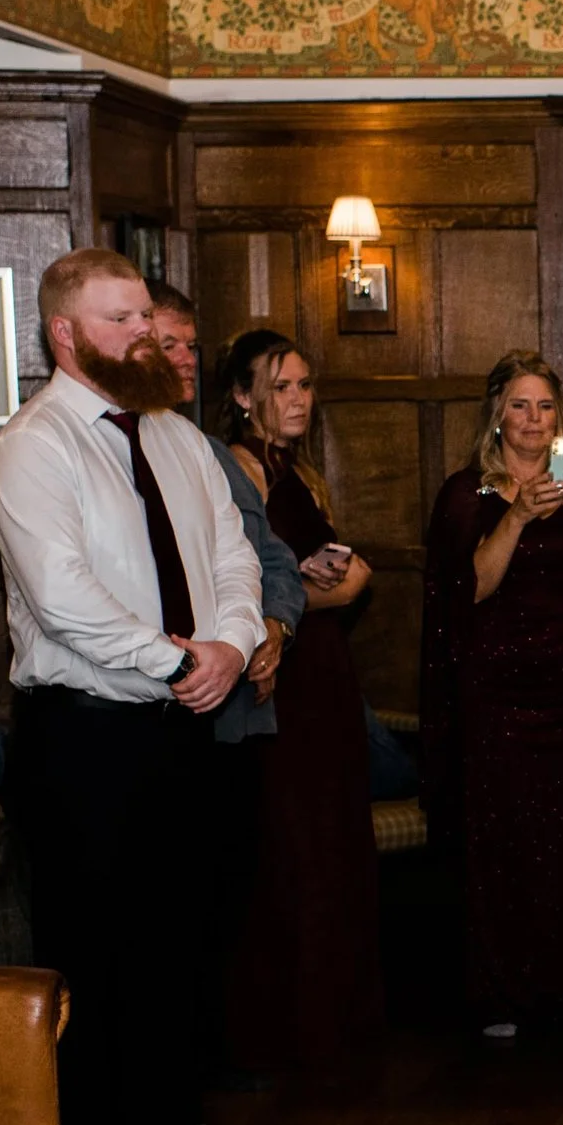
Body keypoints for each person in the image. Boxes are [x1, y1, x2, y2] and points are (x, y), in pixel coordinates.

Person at [0, 248, 263, 1125]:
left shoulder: (180, 439)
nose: (144, 335)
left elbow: (232, 555)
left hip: (183, 719)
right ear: (65, 335)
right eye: (120, 321)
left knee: (178, 923)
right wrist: (179, 659)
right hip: (84, 732)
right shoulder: (35, 444)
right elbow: (65, 598)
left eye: (146, 317)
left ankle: (168, 1108)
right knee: (88, 931)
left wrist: (230, 644)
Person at [420, 352, 563, 1041]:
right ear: (497, 414)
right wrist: (517, 516)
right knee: (509, 843)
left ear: (561, 418)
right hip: (501, 697)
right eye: (519, 405)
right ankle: (505, 993)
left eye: (544, 407)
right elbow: (470, 589)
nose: (532, 419)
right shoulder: (466, 494)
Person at [147, 288, 305, 1090]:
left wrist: (266, 633)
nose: (180, 361)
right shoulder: (62, 446)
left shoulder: (200, 452)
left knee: (222, 894)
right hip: (135, 714)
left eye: (187, 346)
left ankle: (207, 1071)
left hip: (230, 711)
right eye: (163, 344)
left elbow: (267, 561)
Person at [217, 330, 387, 1066]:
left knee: (333, 842)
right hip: (280, 677)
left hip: (324, 677)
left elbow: (346, 577)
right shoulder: (238, 467)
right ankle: (291, 1029)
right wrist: (314, 592)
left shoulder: (299, 470)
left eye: (305, 385)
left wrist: (332, 580)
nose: (297, 399)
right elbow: (244, 586)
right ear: (242, 395)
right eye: (281, 385)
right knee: (293, 850)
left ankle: (338, 1020)